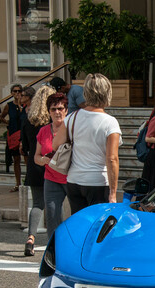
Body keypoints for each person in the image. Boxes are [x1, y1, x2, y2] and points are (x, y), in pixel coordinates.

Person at [52, 73, 122, 214]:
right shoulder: (110, 122)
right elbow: (112, 158)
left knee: (79, 224)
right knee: (97, 227)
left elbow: (55, 145)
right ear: (107, 93)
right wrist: (113, 193)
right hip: (98, 182)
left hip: (74, 180)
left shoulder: (72, 117)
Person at [21, 85, 55, 256]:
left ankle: (31, 238)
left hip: (34, 165)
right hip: (52, 164)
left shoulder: (28, 119)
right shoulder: (54, 121)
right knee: (54, 204)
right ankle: (55, 243)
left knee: (37, 204)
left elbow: (25, 146)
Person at [33, 92, 69, 239]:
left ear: (66, 110)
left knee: (76, 216)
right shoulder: (43, 131)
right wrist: (42, 160)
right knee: (52, 216)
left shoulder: (72, 129)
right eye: (53, 109)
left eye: (60, 108)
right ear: (48, 112)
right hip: (51, 178)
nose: (57, 112)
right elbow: (36, 156)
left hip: (71, 178)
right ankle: (53, 250)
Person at [0, 84, 24, 192]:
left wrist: (20, 104)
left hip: (23, 133)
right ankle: (18, 183)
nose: (17, 93)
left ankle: (27, 182)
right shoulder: (9, 105)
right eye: (15, 91)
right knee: (16, 159)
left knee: (27, 158)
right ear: (12, 93)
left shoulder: (25, 105)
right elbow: (0, 116)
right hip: (14, 134)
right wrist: (7, 122)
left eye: (19, 91)